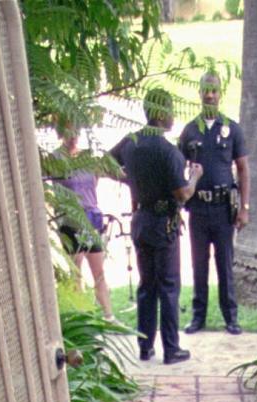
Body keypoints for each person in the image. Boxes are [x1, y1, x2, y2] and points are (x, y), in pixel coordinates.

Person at [111, 89, 203, 364]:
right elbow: (183, 195)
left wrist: (131, 182)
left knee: (146, 286)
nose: (174, 116)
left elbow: (104, 165)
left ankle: (145, 345)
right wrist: (195, 177)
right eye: (172, 110)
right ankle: (171, 348)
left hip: (140, 219)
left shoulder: (131, 141)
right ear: (162, 114)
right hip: (164, 224)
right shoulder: (168, 151)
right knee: (168, 286)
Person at [178, 71, 250, 336]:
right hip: (197, 207)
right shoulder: (189, 130)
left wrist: (244, 207)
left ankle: (231, 317)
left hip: (222, 209)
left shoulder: (231, 129)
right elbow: (177, 168)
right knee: (199, 264)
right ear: (199, 93)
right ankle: (198, 317)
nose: (210, 95)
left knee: (224, 264)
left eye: (214, 90)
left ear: (220, 94)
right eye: (205, 90)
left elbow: (243, 169)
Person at [51, 127, 113, 319]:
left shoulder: (88, 158)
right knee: (76, 271)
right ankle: (81, 316)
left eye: (76, 131)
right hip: (69, 220)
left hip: (91, 217)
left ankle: (108, 315)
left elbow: (94, 183)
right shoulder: (54, 159)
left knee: (99, 270)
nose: (73, 136)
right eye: (68, 131)